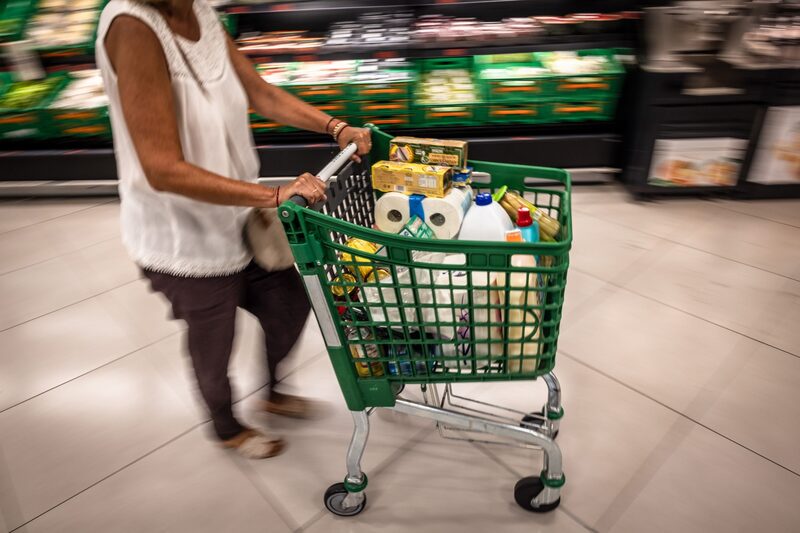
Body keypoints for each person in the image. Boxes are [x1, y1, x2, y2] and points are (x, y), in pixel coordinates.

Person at [95, 0, 372, 459]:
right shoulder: (132, 28)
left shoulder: (199, 11)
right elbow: (162, 169)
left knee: (290, 302)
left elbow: (258, 93)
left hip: (240, 214)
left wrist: (334, 127)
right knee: (214, 339)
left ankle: (273, 392)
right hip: (183, 235)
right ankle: (226, 427)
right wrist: (274, 195)